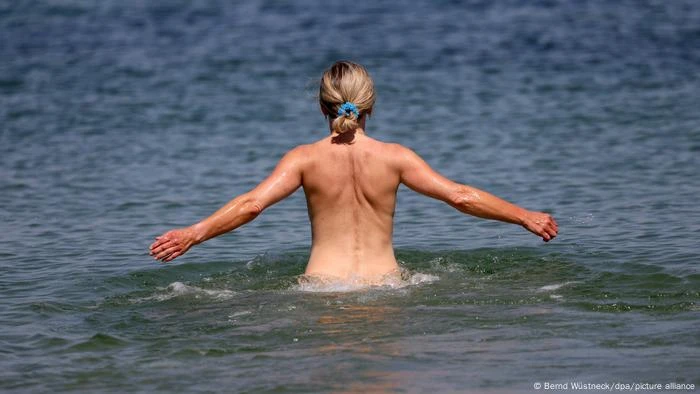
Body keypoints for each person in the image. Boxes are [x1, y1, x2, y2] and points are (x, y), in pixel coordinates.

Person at [149, 61, 558, 284]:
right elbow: (459, 196)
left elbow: (253, 205)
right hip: (389, 288)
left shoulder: (303, 159)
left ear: (322, 107)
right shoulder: (396, 157)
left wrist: (193, 234)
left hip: (322, 290)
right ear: (370, 107)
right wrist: (525, 216)